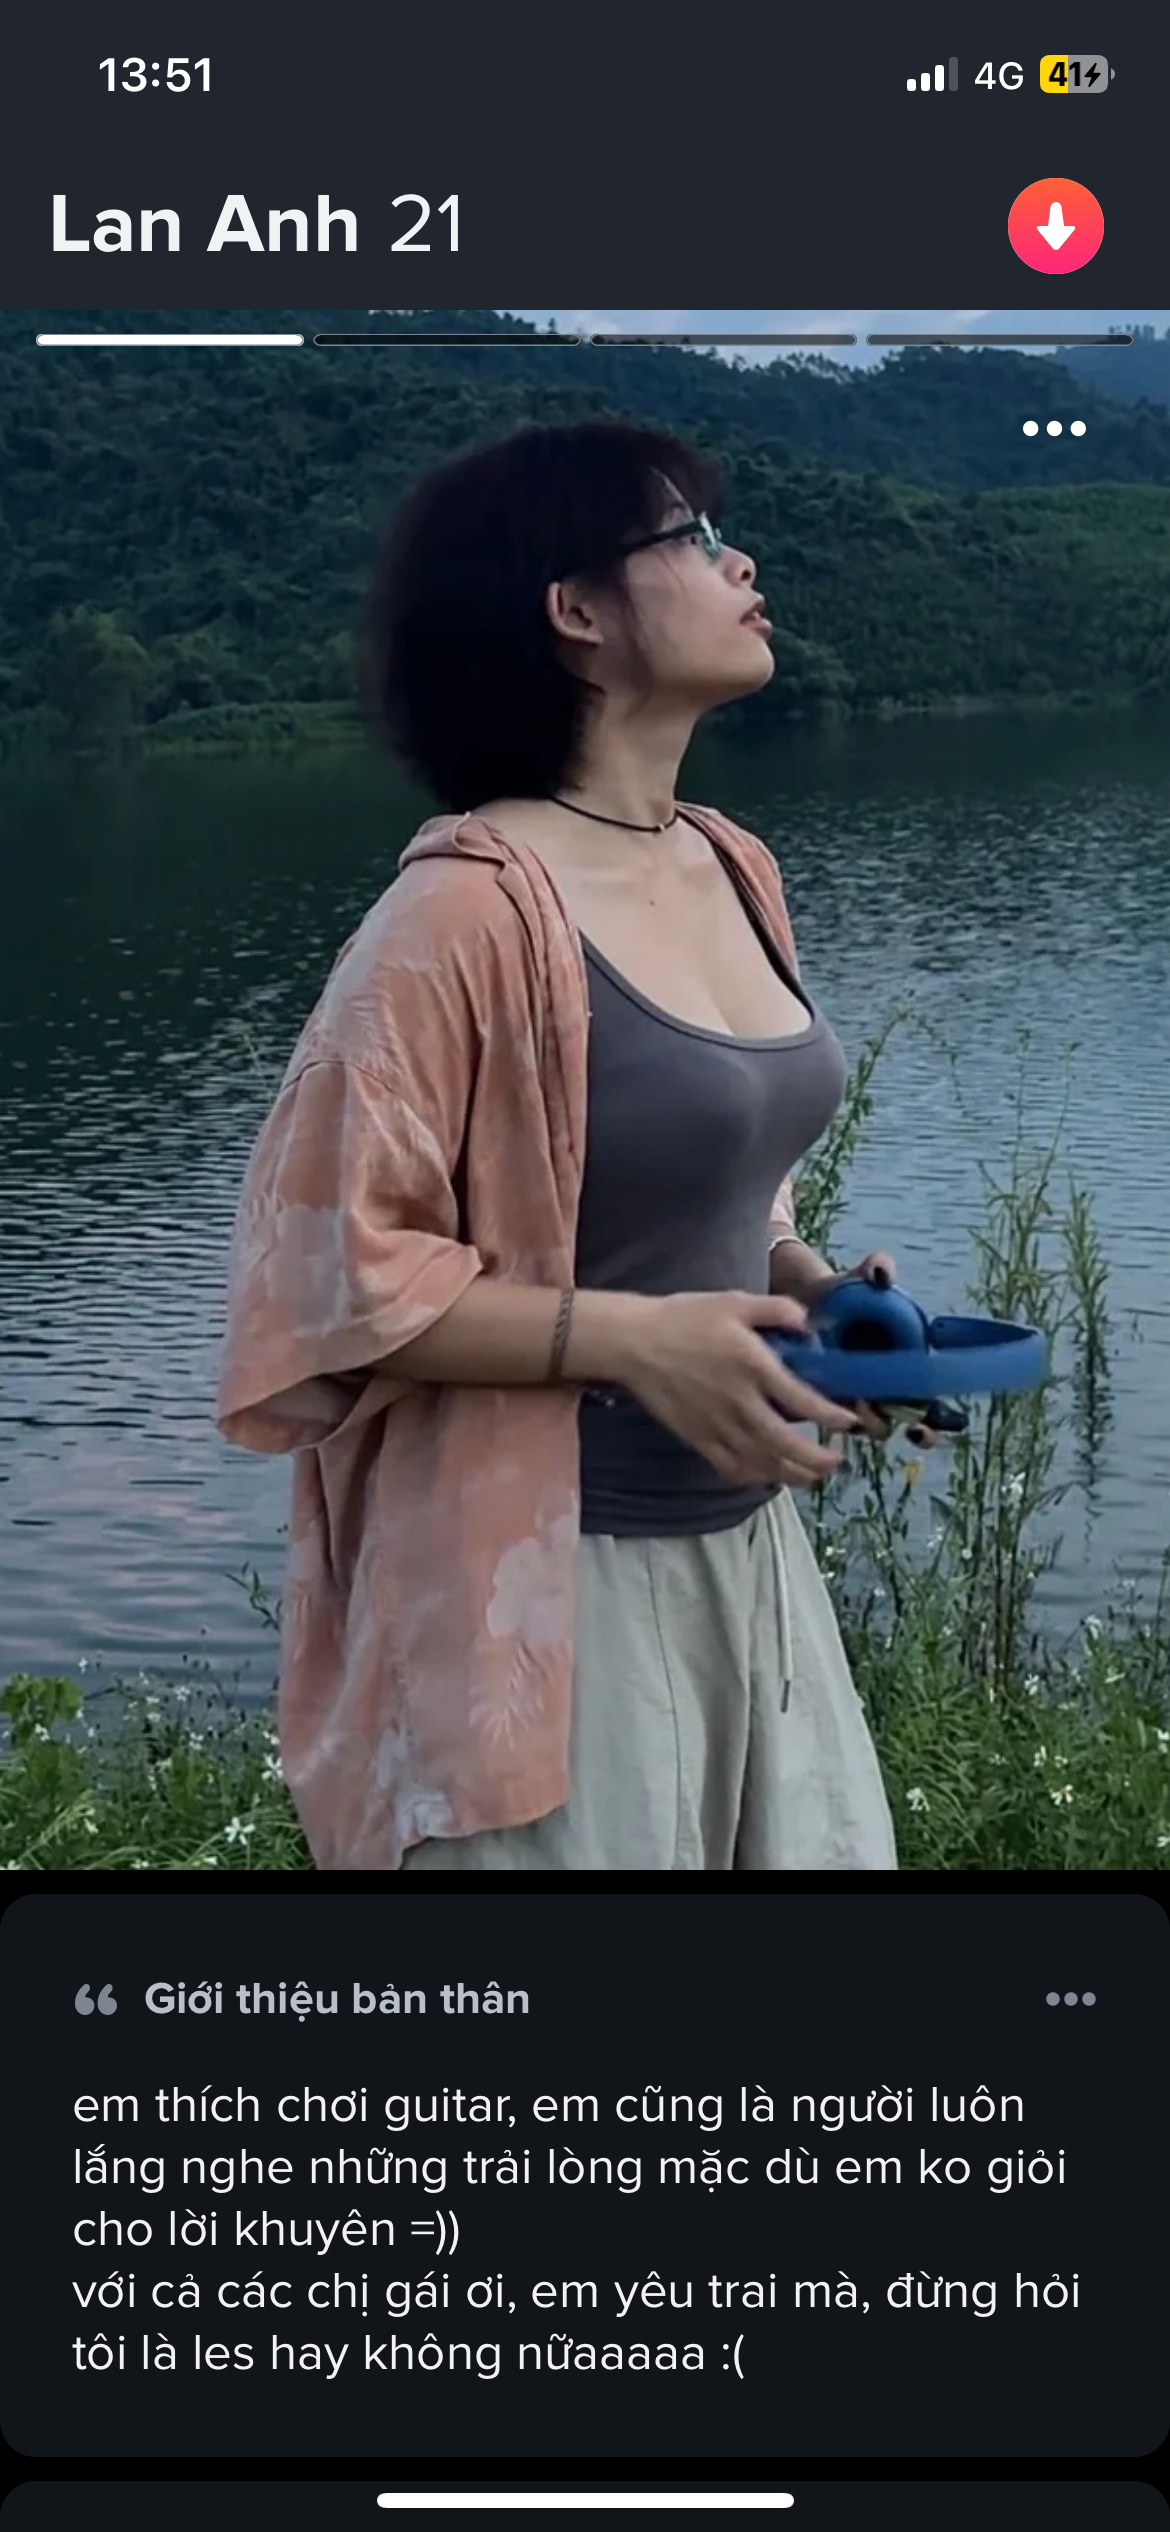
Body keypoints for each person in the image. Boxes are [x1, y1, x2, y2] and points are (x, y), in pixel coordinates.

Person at [216, 416, 936, 1872]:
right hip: (543, 1592)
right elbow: (322, 1283)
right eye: (693, 539)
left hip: (749, 1555)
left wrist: (801, 1285)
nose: (742, 562)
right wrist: (638, 1340)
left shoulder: (731, 863)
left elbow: (713, 1183)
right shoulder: (458, 915)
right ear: (573, 609)